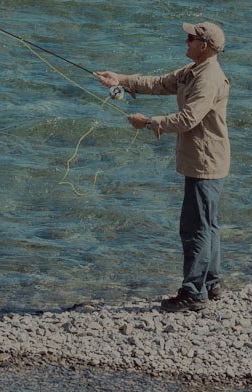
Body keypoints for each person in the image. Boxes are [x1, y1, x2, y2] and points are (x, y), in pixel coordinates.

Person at [94, 22, 231, 313]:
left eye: (191, 38)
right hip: (203, 159)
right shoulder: (193, 71)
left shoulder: (208, 78)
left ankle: (194, 293)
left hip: (205, 161)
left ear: (203, 46)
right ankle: (211, 283)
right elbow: (159, 83)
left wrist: (147, 123)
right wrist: (120, 78)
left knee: (195, 228)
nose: (186, 40)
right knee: (208, 224)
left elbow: (188, 119)